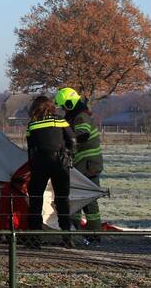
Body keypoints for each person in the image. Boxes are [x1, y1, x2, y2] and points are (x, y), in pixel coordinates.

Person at [24, 95, 76, 249]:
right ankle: (67, 237)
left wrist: (32, 167)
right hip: (59, 162)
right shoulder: (59, 120)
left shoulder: (32, 124)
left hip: (40, 162)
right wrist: (69, 155)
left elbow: (30, 149)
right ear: (50, 106)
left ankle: (34, 238)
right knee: (62, 199)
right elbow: (72, 139)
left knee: (35, 200)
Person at [55, 87, 103, 244]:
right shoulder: (76, 114)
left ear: (69, 104)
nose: (62, 109)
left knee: (85, 198)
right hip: (86, 163)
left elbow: (83, 134)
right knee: (80, 196)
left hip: (87, 164)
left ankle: (89, 232)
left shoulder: (80, 116)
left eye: (63, 106)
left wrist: (67, 140)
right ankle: (85, 231)